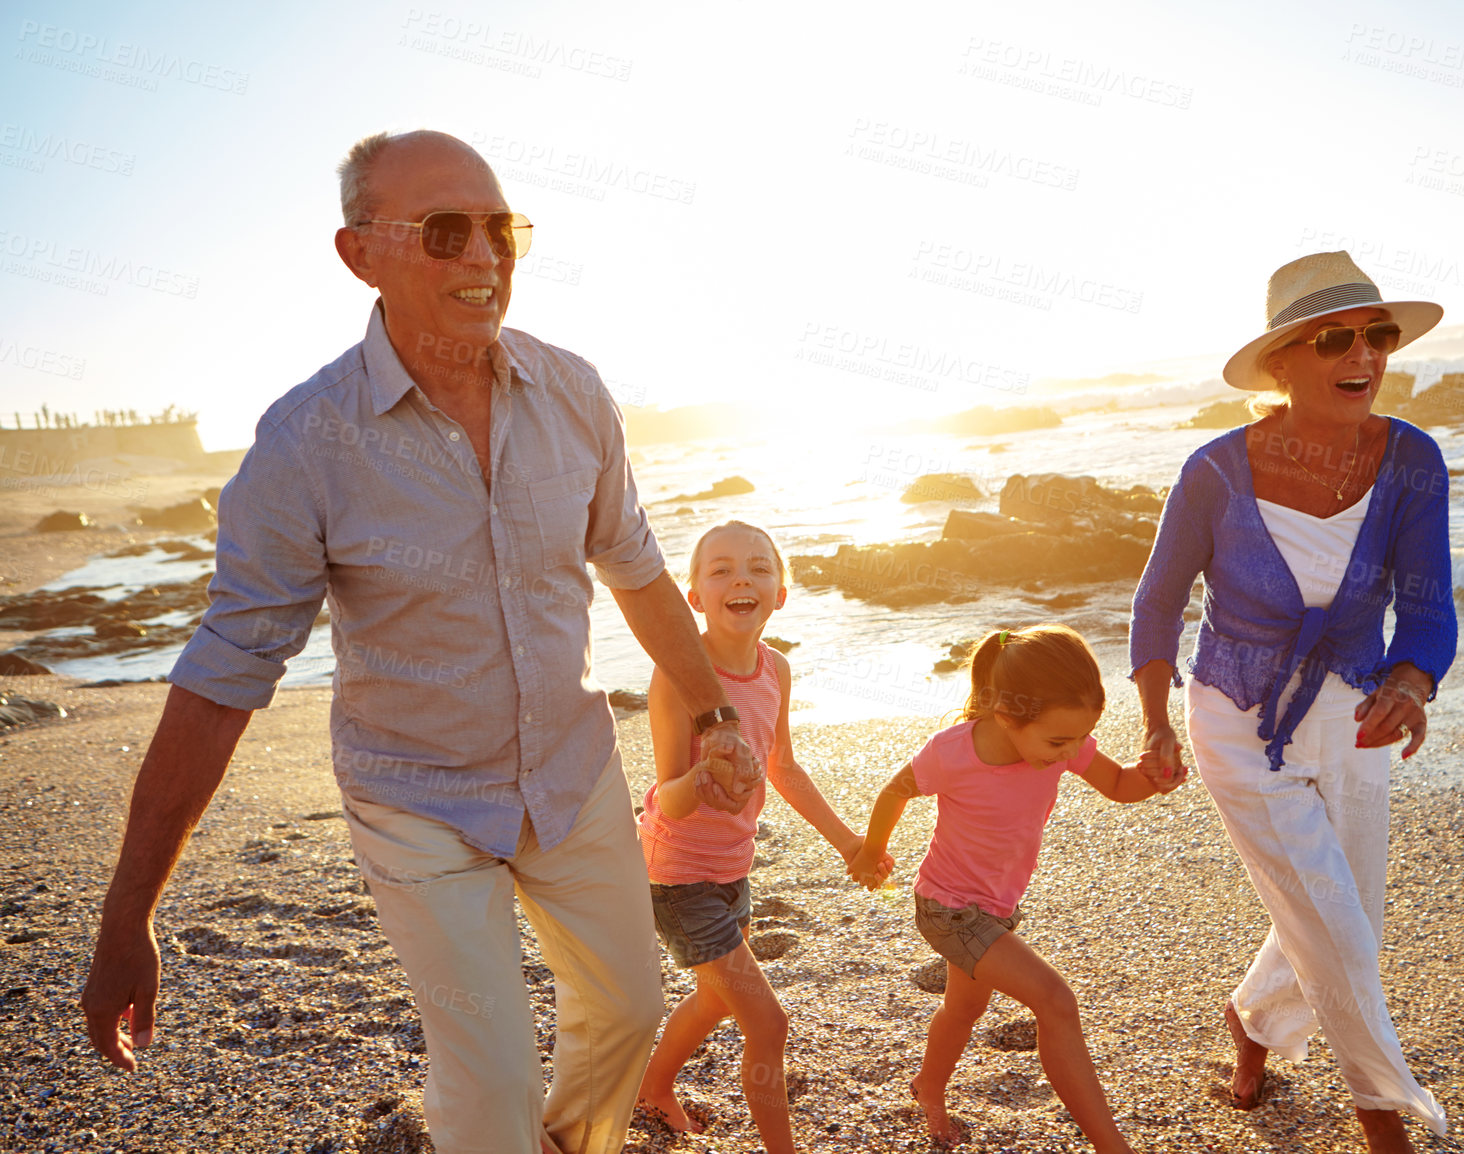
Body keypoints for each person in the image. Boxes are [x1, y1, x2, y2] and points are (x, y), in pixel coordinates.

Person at [78, 130, 761, 1154]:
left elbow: (638, 569)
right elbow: (224, 676)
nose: (484, 257)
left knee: (624, 1015)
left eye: (503, 228)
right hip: (417, 802)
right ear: (361, 254)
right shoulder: (305, 442)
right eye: (446, 232)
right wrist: (128, 911)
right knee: (489, 1095)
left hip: (570, 779)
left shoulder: (575, 396)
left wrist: (713, 712)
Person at [1130, 251, 1456, 1153]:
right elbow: (1158, 603)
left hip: (1354, 711)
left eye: (1376, 335)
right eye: (1335, 339)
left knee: (1349, 914)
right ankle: (1382, 1117)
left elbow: (1429, 606)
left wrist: (1410, 679)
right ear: (1283, 363)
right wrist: (1156, 722)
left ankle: (1253, 1019)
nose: (1365, 354)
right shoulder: (1215, 472)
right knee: (1335, 925)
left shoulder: (1412, 460)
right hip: (1236, 717)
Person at [849, 625, 1185, 1152]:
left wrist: (1155, 777)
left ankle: (928, 1088)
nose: (1071, 751)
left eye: (1081, 737)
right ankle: (1111, 1145)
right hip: (947, 908)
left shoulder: (1058, 740)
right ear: (1007, 718)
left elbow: (1119, 784)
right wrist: (872, 851)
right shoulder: (954, 752)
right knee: (1055, 1001)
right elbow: (896, 789)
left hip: (997, 907)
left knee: (964, 1010)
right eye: (1059, 742)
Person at [633, 521, 888, 1152]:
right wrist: (706, 771)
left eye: (757, 568)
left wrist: (850, 843)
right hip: (677, 873)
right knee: (766, 1022)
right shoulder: (676, 676)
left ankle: (652, 1086)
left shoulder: (777, 669)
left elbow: (786, 769)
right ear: (692, 597)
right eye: (719, 570)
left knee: (716, 1002)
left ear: (780, 592)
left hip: (732, 867)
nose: (740, 578)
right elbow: (667, 794)